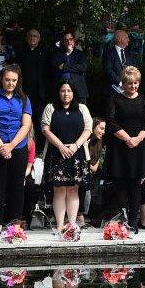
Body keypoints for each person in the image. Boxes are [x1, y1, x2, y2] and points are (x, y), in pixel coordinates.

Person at [0, 65, 32, 236]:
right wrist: (2, 146)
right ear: (1, 79)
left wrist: (11, 146)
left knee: (17, 186)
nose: (10, 83)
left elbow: (26, 125)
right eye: (7, 79)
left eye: (14, 80)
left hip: (18, 147)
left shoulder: (24, 99)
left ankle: (16, 226)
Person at [105, 66, 145, 231]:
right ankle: (121, 221)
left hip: (139, 147)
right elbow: (111, 121)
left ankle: (133, 222)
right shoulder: (115, 99)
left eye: (136, 83)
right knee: (121, 185)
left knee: (136, 185)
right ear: (124, 84)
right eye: (130, 83)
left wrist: (138, 139)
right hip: (121, 147)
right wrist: (127, 138)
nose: (133, 86)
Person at [41, 81, 92, 230]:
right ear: (58, 92)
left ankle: (71, 224)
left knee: (73, 189)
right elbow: (45, 129)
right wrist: (61, 146)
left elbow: (88, 129)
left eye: (69, 90)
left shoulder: (82, 108)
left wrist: (76, 145)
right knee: (59, 190)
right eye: (63, 90)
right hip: (56, 153)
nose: (66, 93)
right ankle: (59, 226)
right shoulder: (50, 108)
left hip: (77, 154)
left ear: (74, 92)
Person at [15, 29, 50, 133]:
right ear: (26, 38)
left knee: (39, 117)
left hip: (40, 93)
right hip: (24, 91)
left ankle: (39, 145)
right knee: (25, 116)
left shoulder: (45, 52)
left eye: (35, 36)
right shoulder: (20, 52)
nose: (32, 38)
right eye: (30, 36)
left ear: (39, 39)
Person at [51, 30, 89, 103]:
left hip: (78, 90)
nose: (69, 42)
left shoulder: (80, 54)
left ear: (74, 40)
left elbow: (82, 68)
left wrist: (64, 66)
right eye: (66, 40)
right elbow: (55, 66)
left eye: (71, 39)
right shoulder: (57, 54)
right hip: (61, 90)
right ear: (62, 42)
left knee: (80, 112)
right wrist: (68, 54)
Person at [103, 30, 137, 97]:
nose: (128, 40)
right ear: (119, 39)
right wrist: (120, 82)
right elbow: (108, 70)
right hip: (113, 90)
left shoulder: (129, 53)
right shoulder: (108, 53)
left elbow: (134, 68)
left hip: (129, 89)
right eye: (126, 38)